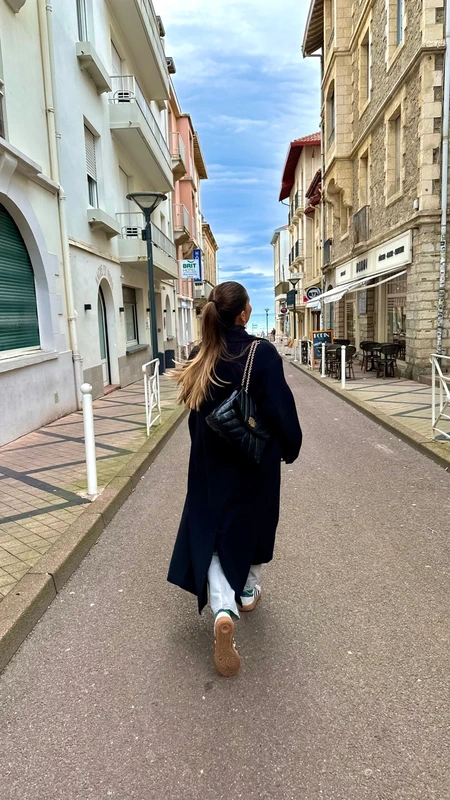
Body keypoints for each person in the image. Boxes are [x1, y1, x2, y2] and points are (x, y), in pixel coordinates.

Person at [167, 282, 302, 677]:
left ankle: (222, 608)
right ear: (243, 313)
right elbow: (280, 409)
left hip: (209, 461)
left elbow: (195, 412)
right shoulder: (261, 353)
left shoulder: (200, 353)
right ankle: (246, 590)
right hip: (252, 459)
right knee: (255, 522)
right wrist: (290, 447)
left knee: (210, 529)